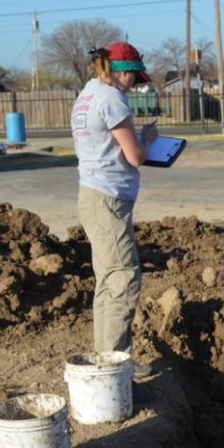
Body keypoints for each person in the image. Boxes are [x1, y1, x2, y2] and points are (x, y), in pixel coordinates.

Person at [71, 41, 158, 375]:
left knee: (108, 280)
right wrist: (148, 139)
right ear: (122, 73)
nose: (135, 84)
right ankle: (116, 366)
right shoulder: (111, 99)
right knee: (123, 279)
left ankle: (106, 360)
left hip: (92, 195)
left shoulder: (87, 95)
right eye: (134, 76)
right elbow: (134, 155)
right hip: (108, 198)